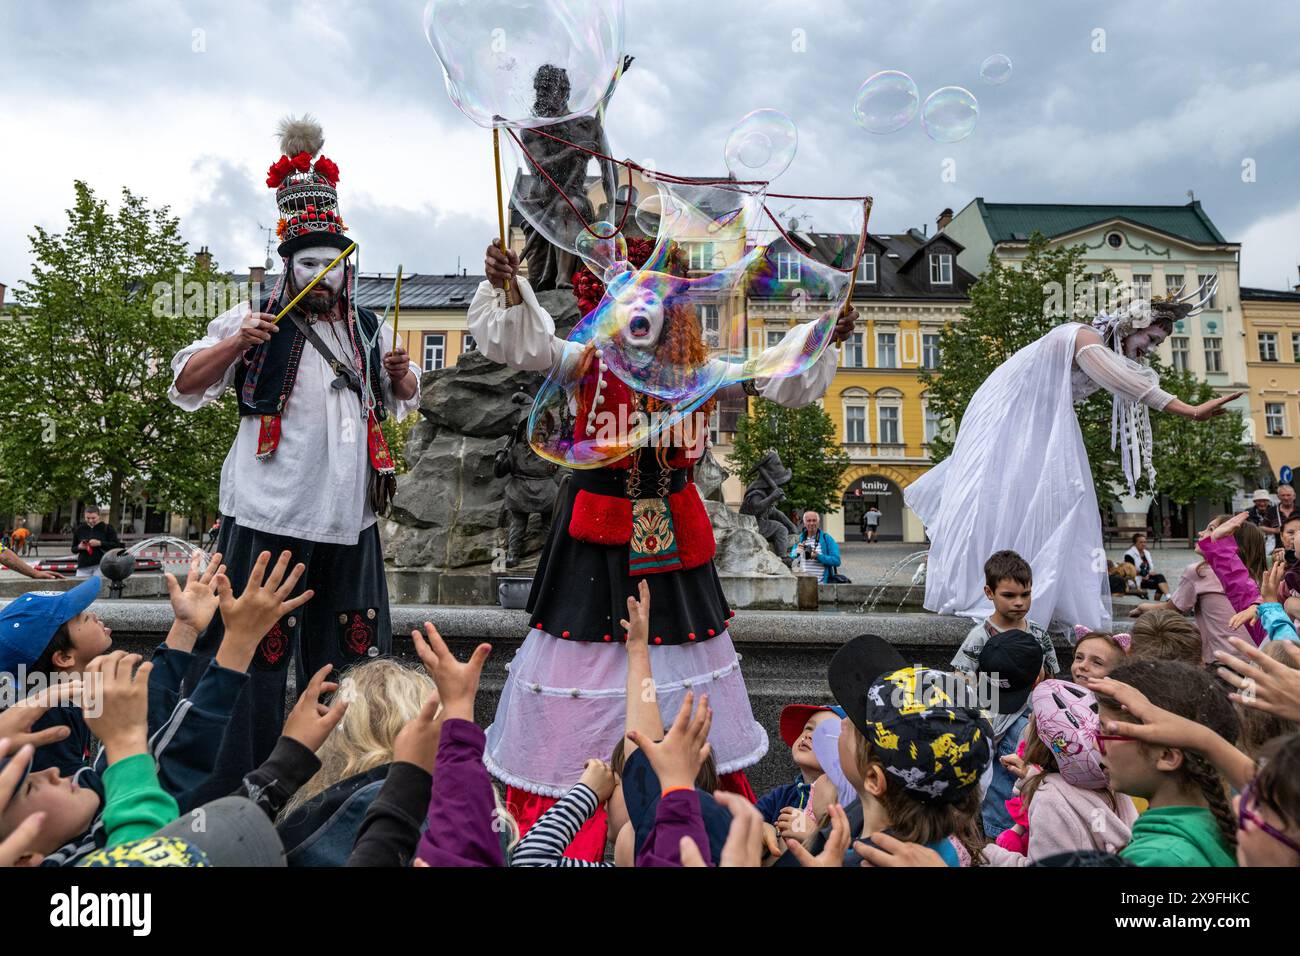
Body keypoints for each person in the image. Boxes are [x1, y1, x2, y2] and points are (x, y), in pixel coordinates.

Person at [467, 237, 858, 839]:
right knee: (592, 658)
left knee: (672, 659)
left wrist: (823, 334)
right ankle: (581, 803)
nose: (640, 312)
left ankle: (678, 799)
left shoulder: (699, 371)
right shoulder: (582, 360)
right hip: (596, 542)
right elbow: (526, 344)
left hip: (673, 544)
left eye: (654, 298)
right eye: (628, 299)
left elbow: (778, 375)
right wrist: (506, 287)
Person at [168, 116, 420, 794]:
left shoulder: (368, 326)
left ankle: (346, 795)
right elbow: (186, 383)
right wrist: (236, 343)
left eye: (331, 259)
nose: (321, 272)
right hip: (266, 521)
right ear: (287, 262)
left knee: (355, 669)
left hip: (350, 525)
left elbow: (401, 400)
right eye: (307, 260)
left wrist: (399, 376)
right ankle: (229, 802)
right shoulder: (253, 314)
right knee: (248, 665)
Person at [905, 294, 1240, 632]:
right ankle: (989, 590)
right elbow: (1124, 381)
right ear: (1128, 327)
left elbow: (1123, 379)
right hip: (1013, 423)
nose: (1150, 349)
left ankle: (1030, 591)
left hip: (1040, 425)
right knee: (1024, 498)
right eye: (1150, 339)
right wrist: (1191, 410)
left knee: (1056, 502)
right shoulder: (1082, 337)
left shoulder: (1103, 348)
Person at [1092, 660, 1240, 866]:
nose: (1095, 743)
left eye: (1109, 732)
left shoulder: (1157, 859)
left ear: (1167, 756)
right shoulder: (1229, 826)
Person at [999, 680, 1139, 863]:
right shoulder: (1110, 782)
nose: (1028, 722)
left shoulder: (1049, 800)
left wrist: (993, 857)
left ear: (1043, 740)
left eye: (1032, 718)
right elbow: (1089, 811)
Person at [974, 628, 1046, 839]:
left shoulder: (973, 706)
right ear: (1037, 678)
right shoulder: (1030, 726)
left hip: (987, 816)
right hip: (1014, 826)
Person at [950, 550, 1060, 677]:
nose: (1019, 602)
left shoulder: (1039, 633)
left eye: (1025, 594)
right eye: (1009, 595)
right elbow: (960, 678)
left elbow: (1050, 677)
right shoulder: (980, 636)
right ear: (989, 592)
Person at [788, 511, 842, 583]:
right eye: (808, 521)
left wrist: (818, 556)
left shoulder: (827, 539)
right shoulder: (799, 539)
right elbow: (792, 561)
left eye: (814, 520)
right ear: (804, 523)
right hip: (803, 584)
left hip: (822, 584)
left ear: (818, 522)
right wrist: (796, 553)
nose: (811, 523)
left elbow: (836, 561)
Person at [70, 505, 121, 578]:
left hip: (101, 565)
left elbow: (116, 545)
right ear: (84, 516)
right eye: (87, 518)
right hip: (83, 566)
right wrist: (79, 547)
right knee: (82, 588)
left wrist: (100, 543)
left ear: (99, 516)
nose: (90, 520)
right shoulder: (79, 529)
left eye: (93, 518)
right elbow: (73, 549)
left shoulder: (107, 528)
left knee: (99, 588)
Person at [1122, 532, 1168, 599]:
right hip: (1135, 581)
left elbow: (1150, 567)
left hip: (1146, 578)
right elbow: (1131, 572)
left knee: (1160, 578)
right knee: (1159, 582)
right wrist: (1145, 574)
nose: (1143, 544)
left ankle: (1165, 598)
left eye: (1144, 542)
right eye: (1141, 542)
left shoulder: (1146, 553)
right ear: (1135, 543)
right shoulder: (1129, 554)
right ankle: (1164, 600)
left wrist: (1150, 573)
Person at [1246, 489, 1281, 553]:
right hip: (1254, 546)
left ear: (1268, 501)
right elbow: (1246, 530)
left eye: (1264, 501)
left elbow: (1280, 529)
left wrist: (1265, 529)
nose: (1262, 504)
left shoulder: (1276, 511)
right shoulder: (1248, 513)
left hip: (1276, 546)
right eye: (1259, 501)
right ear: (1254, 501)